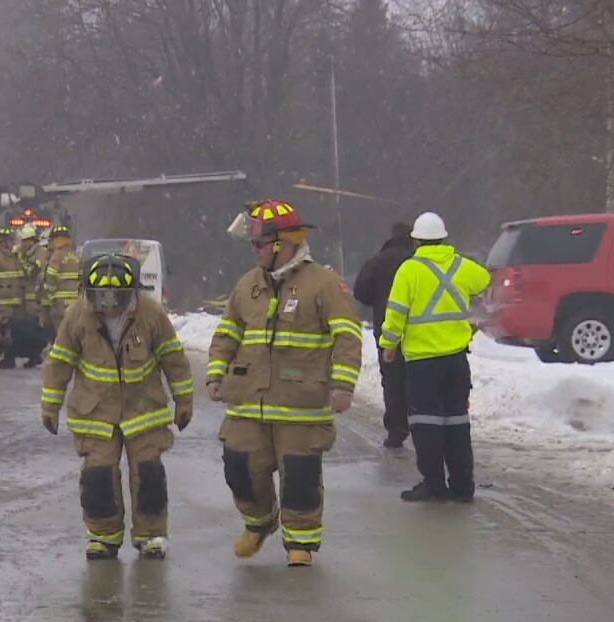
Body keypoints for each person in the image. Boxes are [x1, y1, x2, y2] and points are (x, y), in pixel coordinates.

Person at [207, 199, 363, 568]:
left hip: (301, 405)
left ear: (282, 243)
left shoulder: (323, 285)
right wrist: (216, 373)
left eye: (259, 243)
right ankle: (259, 523)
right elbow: (227, 333)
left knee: (300, 477)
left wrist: (343, 386)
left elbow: (347, 336)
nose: (254, 250)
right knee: (239, 466)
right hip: (248, 402)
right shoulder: (248, 286)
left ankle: (301, 544)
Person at [40, 254, 194, 561]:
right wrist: (50, 405)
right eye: (102, 298)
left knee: (148, 475)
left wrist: (184, 400)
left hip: (143, 411)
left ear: (131, 293)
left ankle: (151, 535)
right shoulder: (77, 316)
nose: (109, 305)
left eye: (116, 298)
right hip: (95, 414)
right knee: (98, 478)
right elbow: (60, 362)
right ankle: (102, 537)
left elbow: (173, 358)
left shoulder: (150, 313)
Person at [379, 212, 490, 503]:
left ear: (415, 241)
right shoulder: (461, 265)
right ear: (444, 238)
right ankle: (463, 485)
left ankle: (433, 483)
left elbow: (396, 314)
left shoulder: (409, 270)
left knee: (426, 423)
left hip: (422, 362)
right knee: (457, 421)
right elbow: (483, 280)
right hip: (455, 359)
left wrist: (388, 344)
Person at [353, 222, 415, 448]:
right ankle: (421, 425)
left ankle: (396, 430)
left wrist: (379, 299)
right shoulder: (419, 261)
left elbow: (360, 293)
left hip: (387, 331)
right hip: (419, 332)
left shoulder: (377, 262)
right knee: (418, 380)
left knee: (392, 381)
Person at [42, 224, 82, 333]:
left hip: (60, 306)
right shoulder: (77, 257)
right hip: (76, 304)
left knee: (61, 335)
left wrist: (51, 297)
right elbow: (82, 280)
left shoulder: (56, 256)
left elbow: (50, 278)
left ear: (55, 240)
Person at [0, 226, 27, 320]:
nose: (13, 243)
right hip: (3, 302)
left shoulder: (15, 255)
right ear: (4, 242)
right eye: (11, 240)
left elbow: (22, 275)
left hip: (17, 301)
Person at [15, 224, 44, 318]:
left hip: (36, 299)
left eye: (23, 240)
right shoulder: (23, 253)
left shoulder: (40, 252)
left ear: (31, 241)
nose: (21, 243)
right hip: (26, 298)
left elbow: (33, 272)